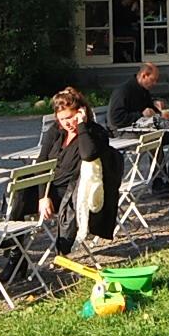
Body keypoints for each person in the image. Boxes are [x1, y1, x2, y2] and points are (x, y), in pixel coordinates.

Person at [37, 88, 124, 255]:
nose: (67, 123)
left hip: (71, 191)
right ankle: (13, 251)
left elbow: (88, 155)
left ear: (80, 112)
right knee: (17, 193)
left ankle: (63, 251)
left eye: (70, 117)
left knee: (66, 204)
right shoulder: (55, 131)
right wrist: (43, 196)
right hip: (50, 188)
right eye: (62, 119)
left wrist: (81, 126)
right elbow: (42, 162)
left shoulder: (95, 132)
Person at [106, 62, 169, 193]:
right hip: (121, 132)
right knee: (153, 137)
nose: (155, 83)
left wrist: (157, 109)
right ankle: (157, 181)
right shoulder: (123, 91)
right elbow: (115, 119)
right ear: (144, 75)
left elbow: (149, 110)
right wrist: (140, 115)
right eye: (153, 80)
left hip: (141, 129)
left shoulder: (143, 90)